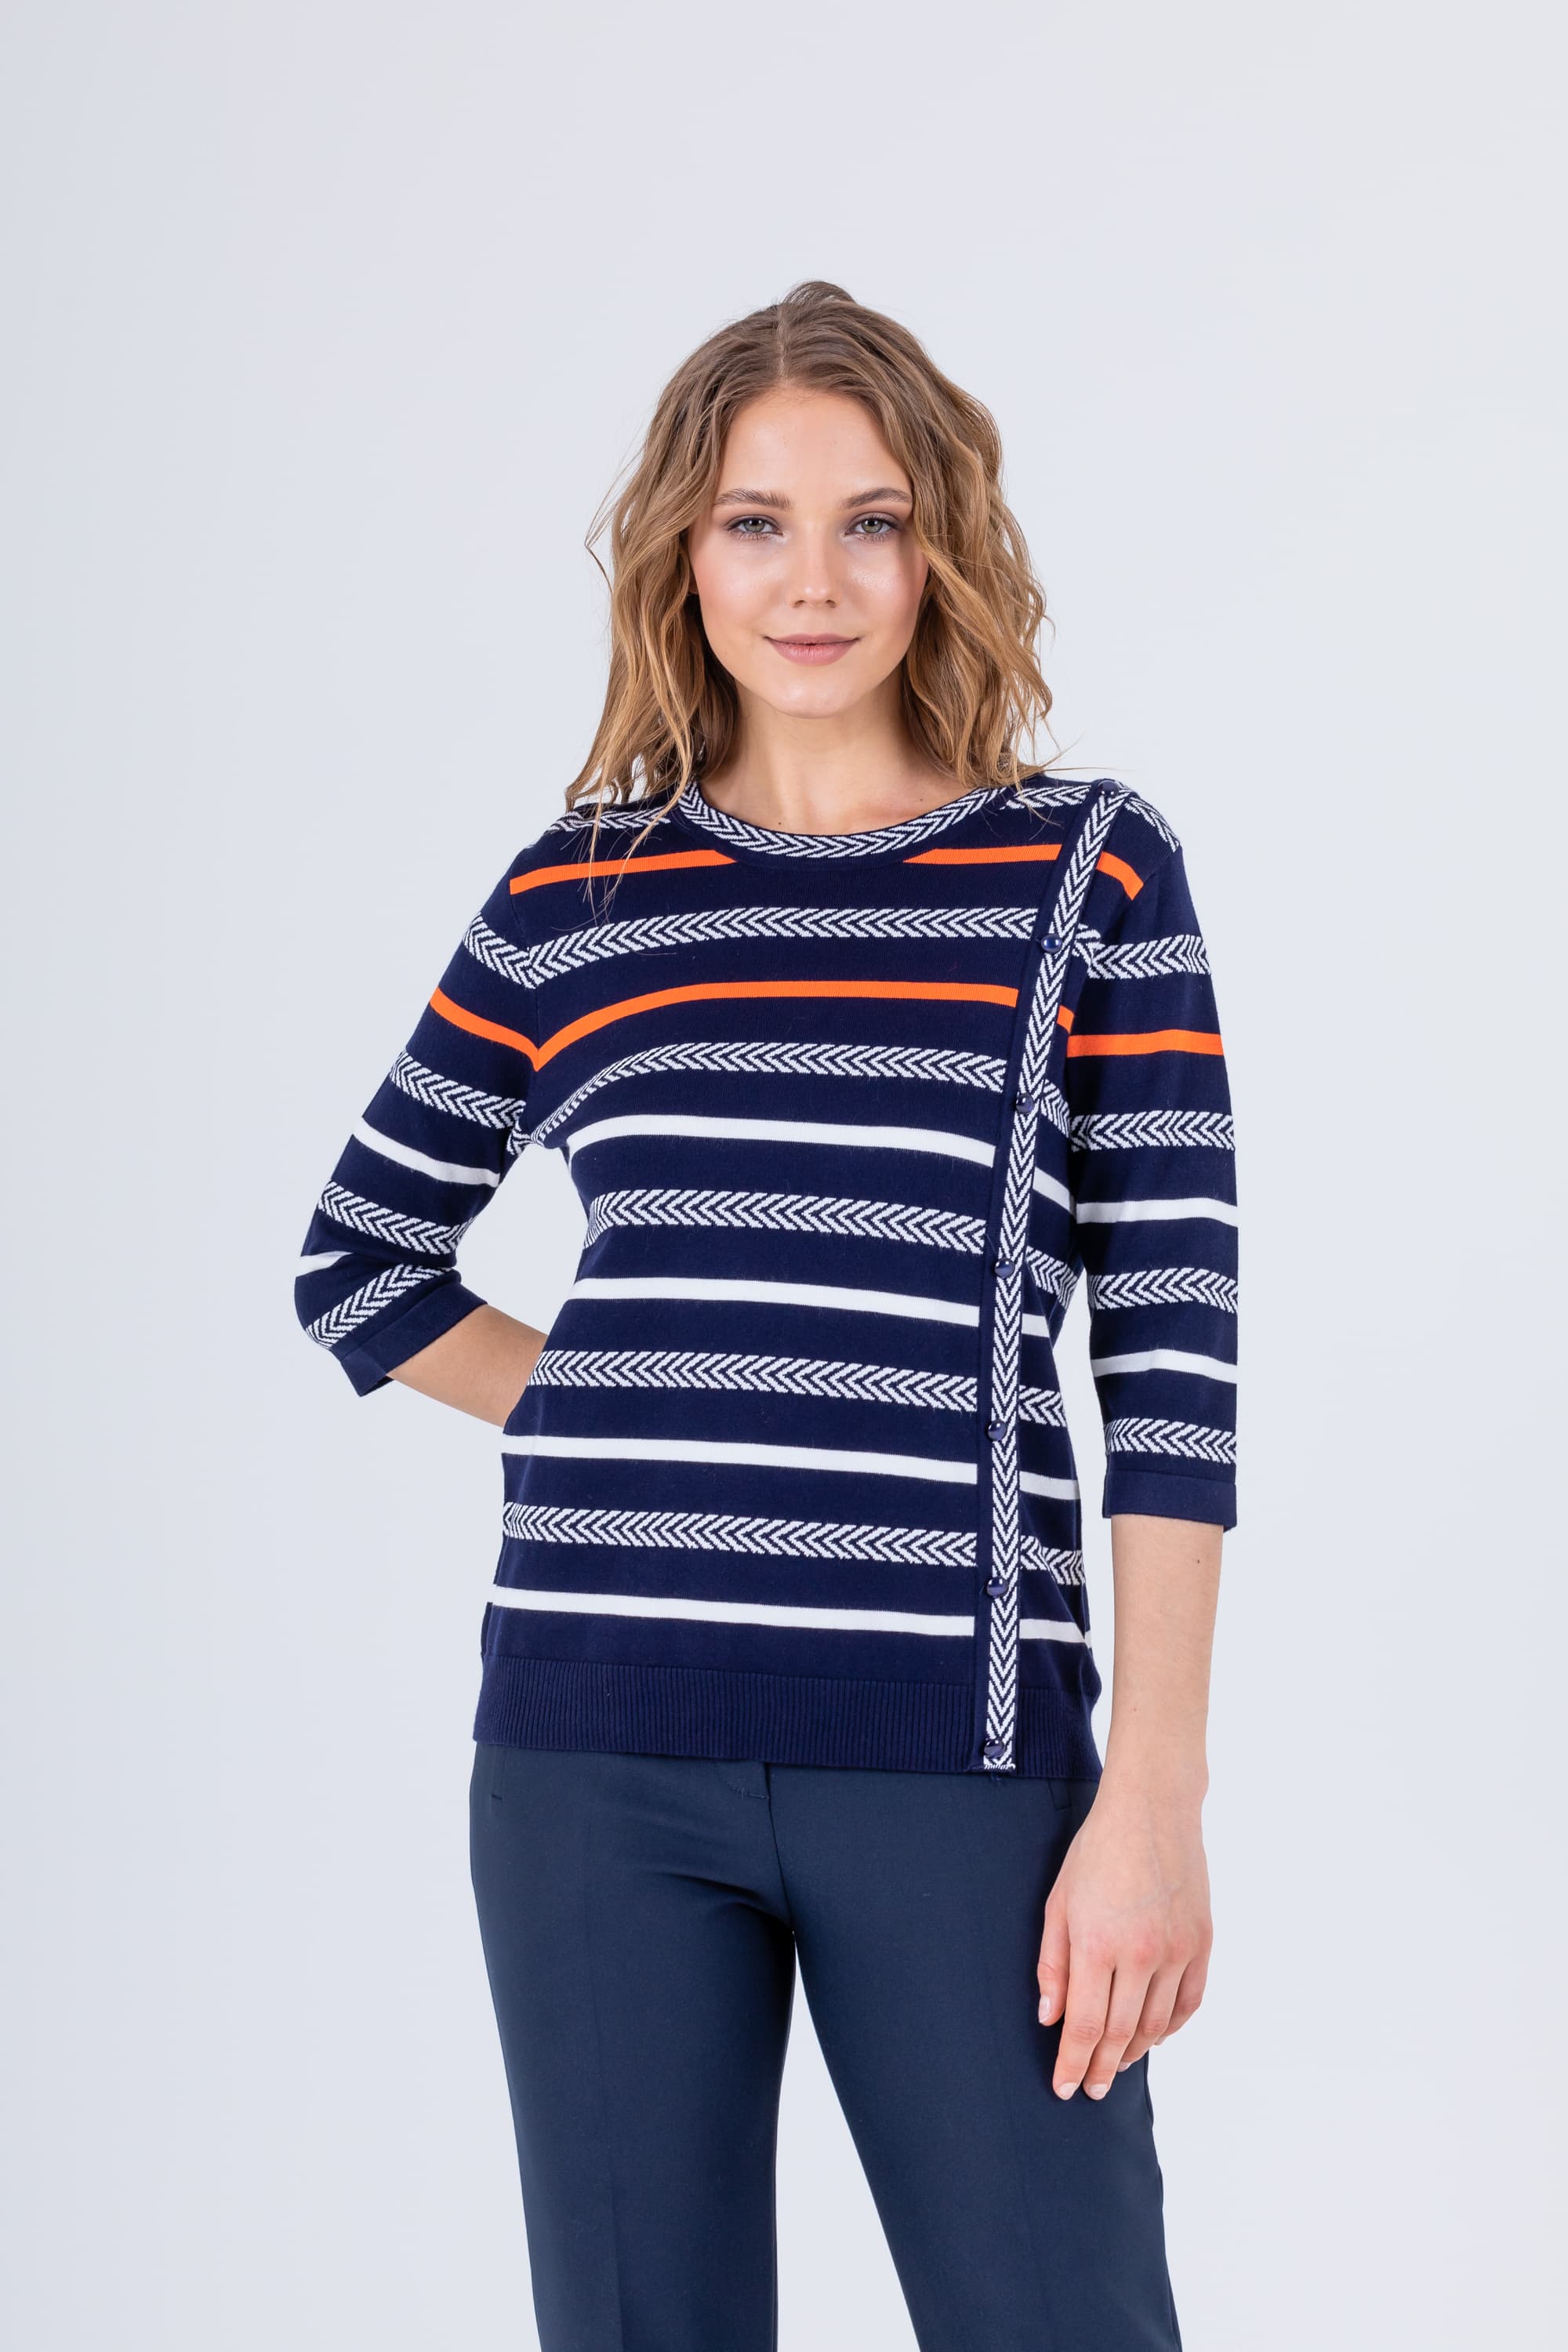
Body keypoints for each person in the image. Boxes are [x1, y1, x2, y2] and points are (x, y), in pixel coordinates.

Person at [295, 280, 1236, 2350]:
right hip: (594, 1758)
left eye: (870, 521)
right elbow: (360, 1260)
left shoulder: (1083, 878)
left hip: (964, 1761)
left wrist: (1154, 1799)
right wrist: (621, 1406)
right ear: (684, 554)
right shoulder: (576, 898)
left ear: (942, 549)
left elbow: (1171, 1363)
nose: (813, 579)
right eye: (756, 522)